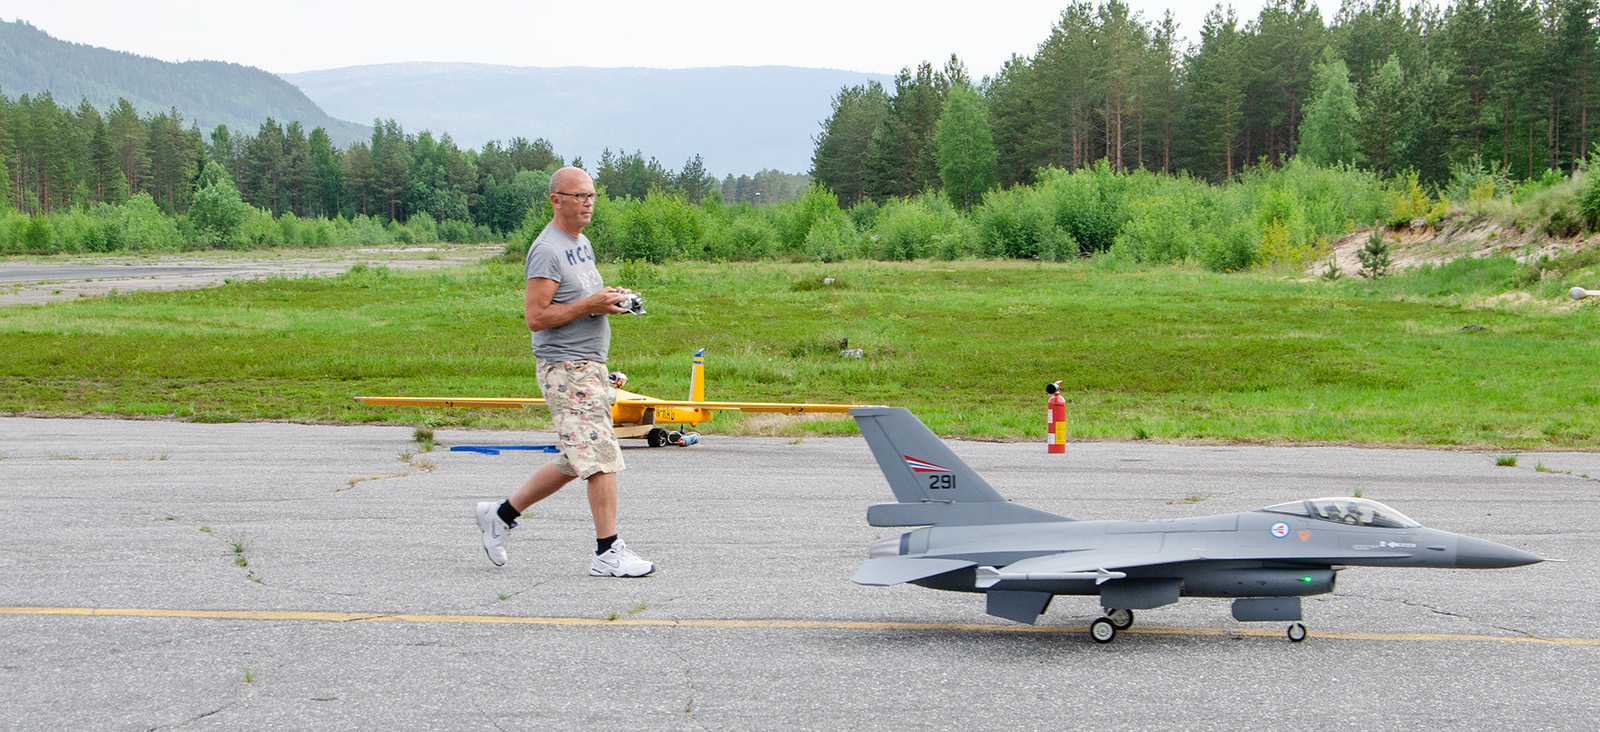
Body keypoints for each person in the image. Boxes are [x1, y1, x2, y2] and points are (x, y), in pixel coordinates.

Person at [475, 166, 654, 577]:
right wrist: (589, 306)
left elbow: (580, 297)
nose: (588, 203)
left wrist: (611, 300)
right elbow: (536, 316)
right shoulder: (547, 249)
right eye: (578, 196)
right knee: (603, 456)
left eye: (591, 195)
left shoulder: (581, 243)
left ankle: (500, 515)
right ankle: (606, 552)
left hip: (589, 366)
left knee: (579, 457)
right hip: (565, 368)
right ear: (556, 200)